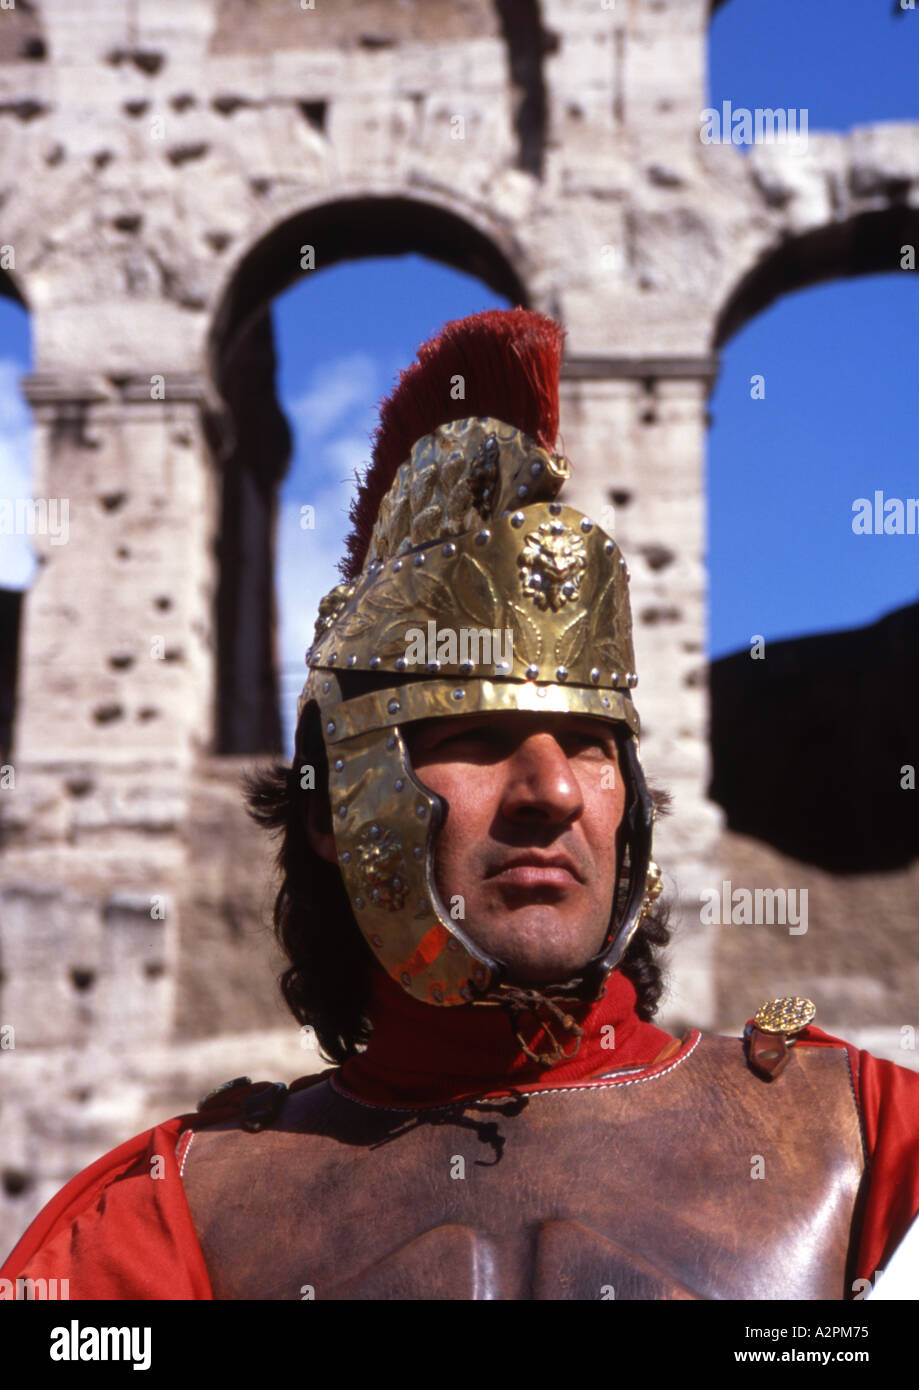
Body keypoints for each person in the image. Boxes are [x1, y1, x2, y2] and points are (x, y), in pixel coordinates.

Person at [3, 308, 918, 1301]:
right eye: (473, 741)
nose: (554, 791)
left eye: (588, 744)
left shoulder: (871, 1148)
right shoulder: (163, 1218)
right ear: (332, 805)